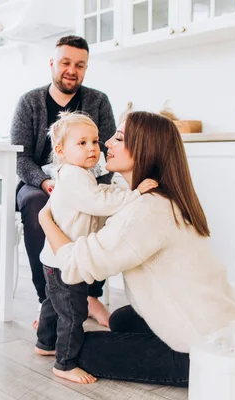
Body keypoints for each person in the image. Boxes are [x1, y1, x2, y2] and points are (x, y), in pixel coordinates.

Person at [35, 111, 235, 387]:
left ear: (145, 149)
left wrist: (45, 219)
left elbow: (75, 266)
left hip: (201, 350)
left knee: (79, 350)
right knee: (122, 319)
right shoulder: (159, 196)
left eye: (119, 138)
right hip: (219, 322)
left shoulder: (146, 210)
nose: (106, 144)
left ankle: (183, 360)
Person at [39, 111, 158, 384]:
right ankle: (65, 363)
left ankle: (44, 342)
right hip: (65, 260)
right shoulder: (74, 176)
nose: (93, 148)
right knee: (73, 312)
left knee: (52, 304)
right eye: (82, 143)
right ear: (60, 150)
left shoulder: (77, 173)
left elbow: (100, 195)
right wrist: (136, 193)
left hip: (54, 258)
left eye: (94, 141)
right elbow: (97, 203)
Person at [11, 35, 116, 327]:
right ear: (52, 63)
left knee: (101, 207)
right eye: (66, 62)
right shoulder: (29, 103)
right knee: (36, 207)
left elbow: (107, 151)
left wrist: (92, 189)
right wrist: (45, 183)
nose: (72, 70)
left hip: (87, 179)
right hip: (40, 183)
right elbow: (20, 158)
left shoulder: (98, 101)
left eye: (80, 65)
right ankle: (49, 300)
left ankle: (90, 296)